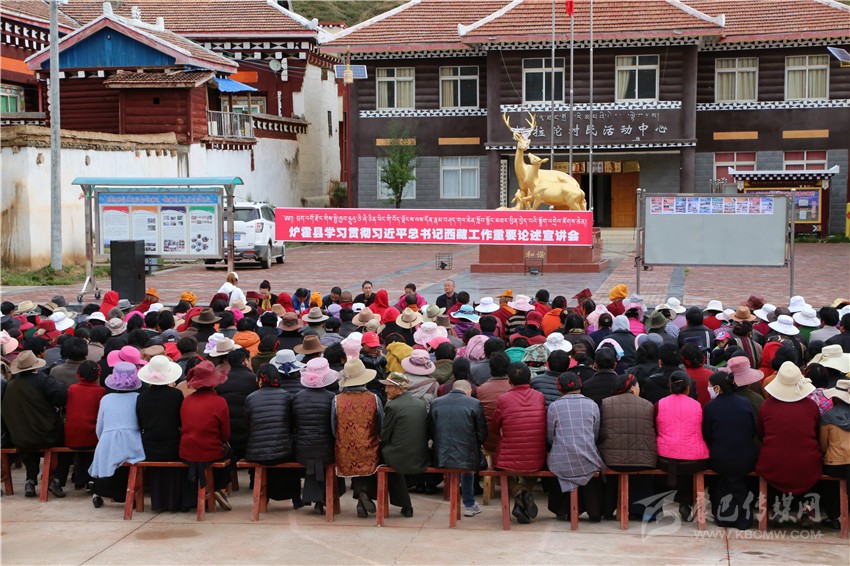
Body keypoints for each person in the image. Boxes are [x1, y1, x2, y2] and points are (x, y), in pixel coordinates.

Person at [757, 362, 822, 527]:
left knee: (773, 465)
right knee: (809, 464)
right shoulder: (811, 406)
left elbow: (761, 434)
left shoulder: (766, 406)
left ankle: (777, 507)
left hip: (773, 463)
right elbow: (816, 433)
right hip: (807, 463)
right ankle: (806, 507)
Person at [1, 350, 69, 498]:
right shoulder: (43, 380)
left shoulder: (11, 384)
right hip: (47, 435)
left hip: (20, 437)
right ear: (35, 366)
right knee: (68, 446)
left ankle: (30, 480)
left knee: (28, 442)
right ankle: (57, 479)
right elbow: (62, 395)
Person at [702, 371, 758, 529]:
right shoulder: (745, 403)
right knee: (736, 480)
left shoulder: (711, 407)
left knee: (724, 481)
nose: (708, 389)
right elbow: (752, 430)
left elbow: (707, 434)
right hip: (746, 457)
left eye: (710, 386)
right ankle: (742, 517)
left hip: (720, 457)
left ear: (718, 388)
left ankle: (725, 515)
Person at [136, 355, 193, 512]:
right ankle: (174, 501)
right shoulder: (176, 395)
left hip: (149, 446)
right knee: (175, 472)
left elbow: (140, 422)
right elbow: (181, 420)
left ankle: (158, 501)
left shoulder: (142, 397)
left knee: (156, 474)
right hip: (173, 445)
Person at [545, 372, 604, 522]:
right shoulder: (592, 405)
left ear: (559, 388)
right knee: (590, 466)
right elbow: (595, 435)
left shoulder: (554, 407)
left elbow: (550, 437)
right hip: (588, 461)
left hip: (561, 463)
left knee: (559, 464)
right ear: (580, 386)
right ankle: (594, 510)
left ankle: (564, 510)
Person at [492, 362, 547, 524]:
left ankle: (520, 495)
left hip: (508, 459)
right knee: (531, 468)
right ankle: (521, 500)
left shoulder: (503, 399)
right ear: (530, 379)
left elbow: (495, 427)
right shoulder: (540, 397)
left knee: (501, 467)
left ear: (509, 381)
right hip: (537, 457)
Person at [598, 374, 657, 518]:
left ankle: (607, 509)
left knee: (612, 475)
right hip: (642, 461)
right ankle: (643, 512)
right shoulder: (647, 405)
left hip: (611, 460)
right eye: (638, 386)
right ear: (631, 387)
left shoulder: (606, 403)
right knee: (642, 477)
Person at [89, 362, 146, 508]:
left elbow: (100, 427)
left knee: (105, 456)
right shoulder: (138, 397)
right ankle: (129, 492)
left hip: (108, 441)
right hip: (132, 442)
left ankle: (99, 491)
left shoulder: (106, 399)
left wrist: (103, 440)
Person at [245, 364, 302, 507]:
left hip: (257, 453)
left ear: (260, 380)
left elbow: (248, 426)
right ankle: (296, 499)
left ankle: (265, 497)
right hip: (284, 452)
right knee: (291, 450)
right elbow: (293, 426)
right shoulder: (287, 397)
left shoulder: (250, 398)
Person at [655, 370, 709, 520]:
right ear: (688, 388)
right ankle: (685, 501)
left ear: (670, 387)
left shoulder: (659, 404)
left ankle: (655, 505)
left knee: (661, 467)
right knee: (691, 468)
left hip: (664, 458)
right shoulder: (697, 405)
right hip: (693, 460)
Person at [429, 379, 488, 516]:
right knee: (468, 465)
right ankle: (469, 504)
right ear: (469, 391)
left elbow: (431, 430)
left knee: (463, 461)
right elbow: (482, 434)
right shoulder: (475, 403)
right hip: (467, 456)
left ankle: (468, 504)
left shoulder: (436, 403)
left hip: (440, 455)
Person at [333, 358, 383, 518]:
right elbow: (380, 424)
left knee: (355, 465)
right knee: (370, 465)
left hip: (344, 449)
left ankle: (361, 498)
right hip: (369, 446)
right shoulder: (374, 399)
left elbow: (333, 426)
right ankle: (363, 495)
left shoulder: (337, 400)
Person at [179, 361, 232, 510]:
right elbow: (225, 435)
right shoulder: (219, 402)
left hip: (186, 451)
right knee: (229, 452)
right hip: (210, 450)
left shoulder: (186, 401)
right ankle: (218, 488)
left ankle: (211, 490)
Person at [379, 372, 429, 518]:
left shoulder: (392, 406)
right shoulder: (420, 404)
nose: (386, 390)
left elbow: (384, 435)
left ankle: (405, 504)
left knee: (384, 460)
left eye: (389, 387)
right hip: (421, 454)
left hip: (400, 456)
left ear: (400, 389)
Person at [293, 358, 339, 513]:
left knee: (314, 455)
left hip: (302, 450)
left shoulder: (297, 397)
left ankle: (317, 498)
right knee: (323, 456)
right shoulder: (331, 398)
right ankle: (324, 499)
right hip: (327, 451)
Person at [64, 360, 106, 490]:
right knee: (94, 441)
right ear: (98, 375)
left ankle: (80, 479)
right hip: (93, 437)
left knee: (82, 445)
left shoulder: (72, 389)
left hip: (71, 436)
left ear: (78, 375)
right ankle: (91, 479)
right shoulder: (101, 391)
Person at [218, 348, 259, 462]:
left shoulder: (221, 381)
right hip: (248, 432)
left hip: (228, 433)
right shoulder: (254, 379)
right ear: (245, 361)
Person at [819, 379, 850, 529]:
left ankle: (834, 516)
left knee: (828, 486)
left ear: (836, 397)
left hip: (836, 464)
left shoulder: (827, 417)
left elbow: (823, 445)